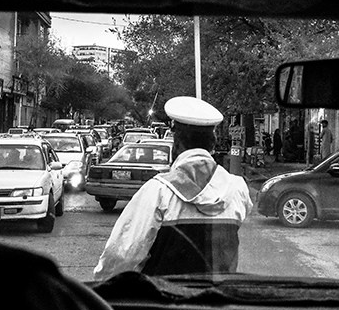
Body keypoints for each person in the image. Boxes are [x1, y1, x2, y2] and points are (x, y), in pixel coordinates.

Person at [92, 96, 253, 280]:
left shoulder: (158, 191)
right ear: (213, 143)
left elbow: (121, 254)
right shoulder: (237, 188)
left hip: (169, 304)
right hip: (218, 302)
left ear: (176, 142)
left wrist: (101, 285)